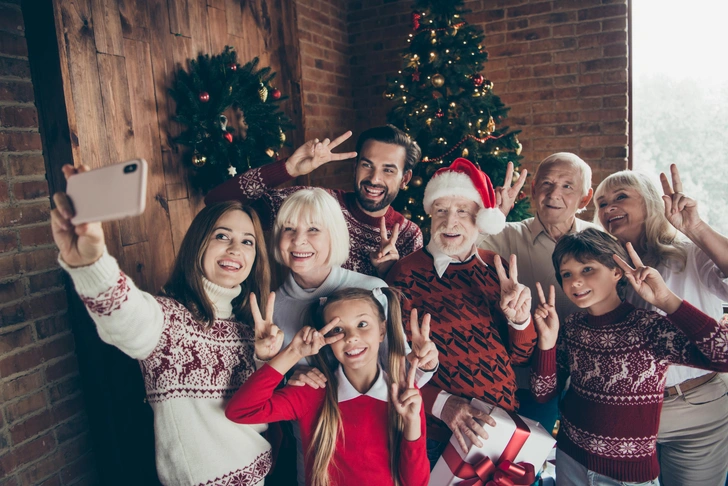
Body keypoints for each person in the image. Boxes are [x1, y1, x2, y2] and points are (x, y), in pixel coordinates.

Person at [51, 165, 273, 485]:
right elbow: (124, 314)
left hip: (261, 474)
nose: (235, 249)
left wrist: (265, 359)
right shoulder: (168, 320)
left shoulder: (248, 329)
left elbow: (257, 412)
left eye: (247, 241)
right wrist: (91, 262)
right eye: (222, 236)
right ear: (198, 243)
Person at [259, 188, 438, 485]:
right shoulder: (270, 308)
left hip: (380, 453)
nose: (299, 240)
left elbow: (400, 378)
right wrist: (281, 375)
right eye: (288, 228)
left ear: (335, 235)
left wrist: (425, 362)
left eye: (313, 229)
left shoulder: (372, 290)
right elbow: (265, 390)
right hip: (317, 454)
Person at [531, 228, 728, 486]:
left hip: (626, 476)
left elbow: (723, 355)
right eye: (567, 274)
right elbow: (543, 393)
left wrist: (667, 299)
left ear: (616, 271)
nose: (575, 281)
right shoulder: (572, 325)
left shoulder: (648, 327)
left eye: (587, 269)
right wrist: (547, 344)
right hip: (569, 459)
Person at [386, 158, 537, 467]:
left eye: (462, 211)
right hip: (438, 435)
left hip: (503, 429)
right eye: (440, 210)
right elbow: (389, 367)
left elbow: (520, 356)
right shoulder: (403, 275)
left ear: (480, 218)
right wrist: (443, 405)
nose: (449, 222)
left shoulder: (498, 267)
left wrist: (520, 319)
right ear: (430, 215)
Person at [594, 166, 728, 486]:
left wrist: (695, 228)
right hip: (628, 414)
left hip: (697, 410)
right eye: (600, 203)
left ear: (651, 202)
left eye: (621, 197)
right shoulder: (603, 272)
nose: (608, 207)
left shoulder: (690, 255)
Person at [226, 287, 430, 486]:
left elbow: (416, 482)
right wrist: (293, 353)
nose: (351, 337)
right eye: (338, 330)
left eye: (362, 324)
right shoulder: (312, 391)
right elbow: (241, 411)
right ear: (328, 339)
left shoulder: (405, 395)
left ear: (382, 331)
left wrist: (412, 424)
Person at [479, 152, 597, 432]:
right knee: (522, 468)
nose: (554, 193)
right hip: (525, 383)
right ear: (533, 190)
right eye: (546, 183)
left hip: (587, 383)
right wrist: (494, 217)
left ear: (584, 198)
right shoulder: (502, 235)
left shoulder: (600, 242)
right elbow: (455, 254)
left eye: (567, 186)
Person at [205, 126, 422, 278]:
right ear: (355, 166)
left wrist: (389, 274)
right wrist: (287, 169)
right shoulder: (318, 204)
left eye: (388, 170)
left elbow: (410, 311)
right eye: (367, 165)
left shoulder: (408, 236)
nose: (374, 178)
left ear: (404, 178)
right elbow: (216, 201)